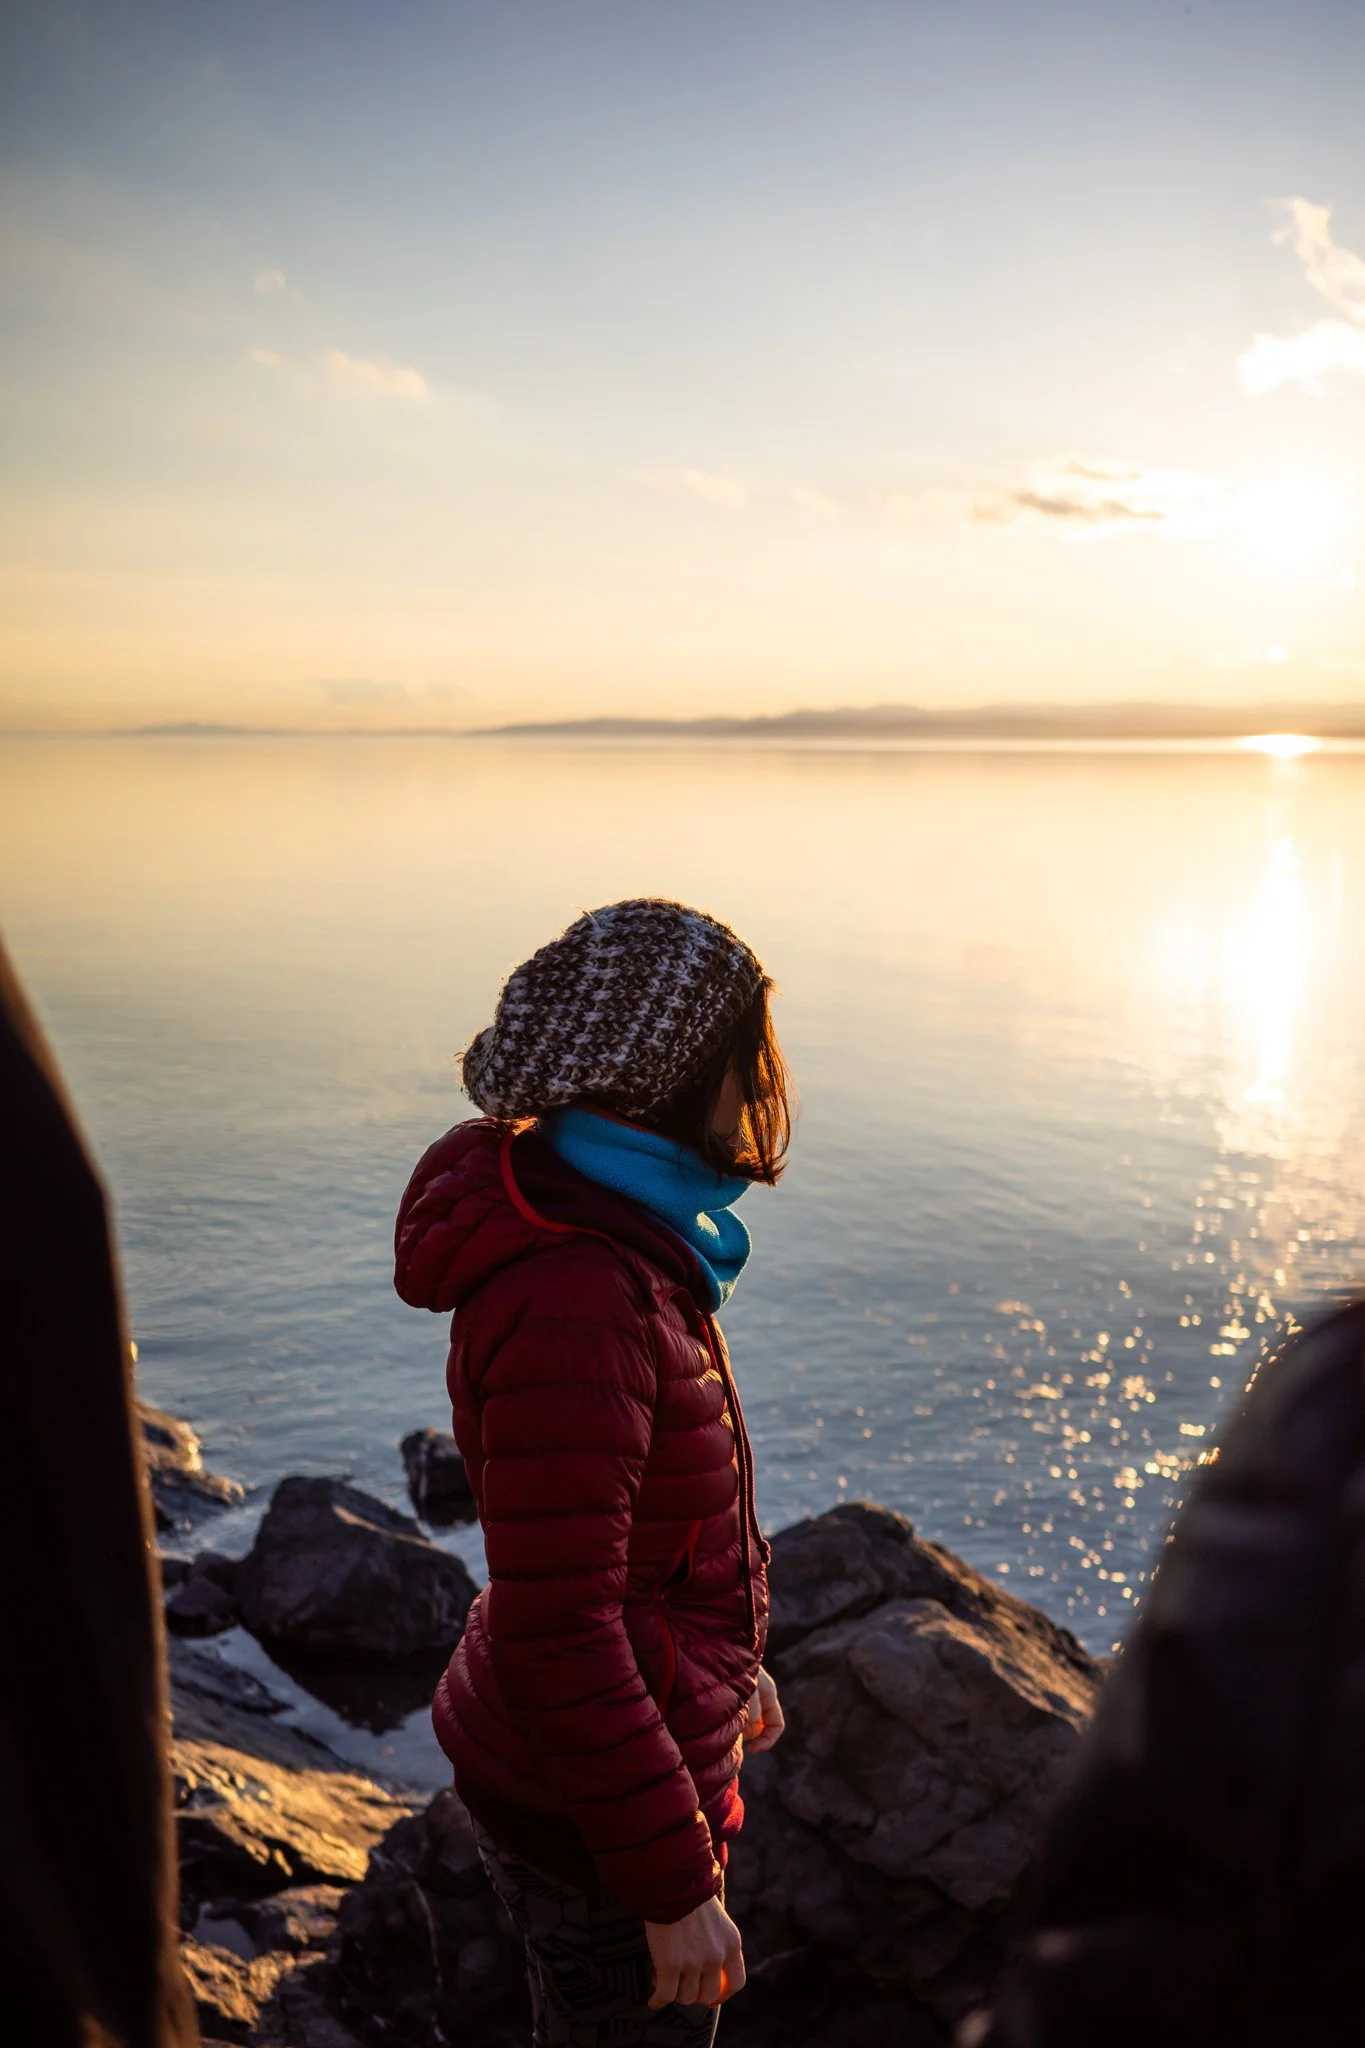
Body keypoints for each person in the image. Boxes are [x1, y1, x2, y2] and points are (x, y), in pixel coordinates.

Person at [394, 898, 792, 2046]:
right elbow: (559, 1622)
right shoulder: (579, 1292)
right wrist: (672, 1887)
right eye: (744, 1058)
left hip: (612, 1776)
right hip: (590, 1822)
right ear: (672, 1076)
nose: (759, 1085)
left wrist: (720, 1669)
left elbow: (639, 1546)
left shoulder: (623, 1232)